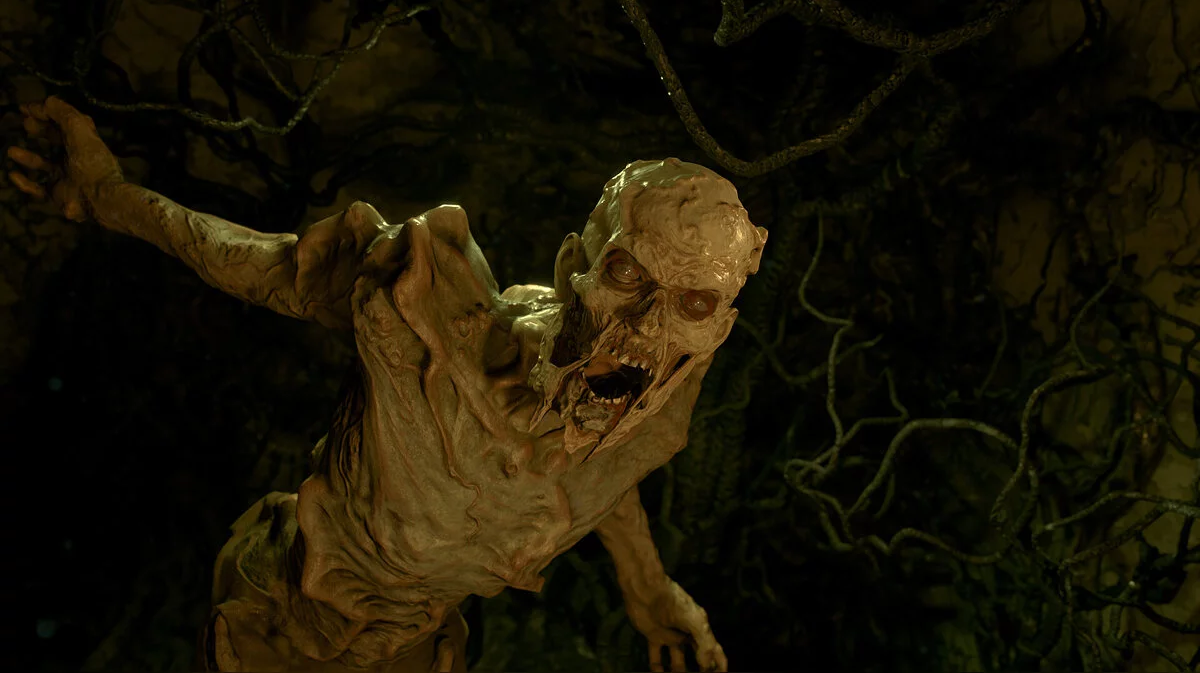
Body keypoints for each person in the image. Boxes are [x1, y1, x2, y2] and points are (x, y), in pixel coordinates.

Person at [8, 96, 766, 672]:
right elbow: (259, 265)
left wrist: (648, 589)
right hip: (281, 622)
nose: (645, 330)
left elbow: (604, 471)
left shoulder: (652, 399)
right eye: (627, 274)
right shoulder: (421, 310)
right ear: (575, 264)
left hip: (417, 650)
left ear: (719, 327)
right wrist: (106, 195)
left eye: (694, 305)